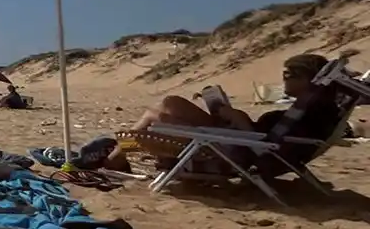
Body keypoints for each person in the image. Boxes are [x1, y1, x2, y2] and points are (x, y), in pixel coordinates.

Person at [101, 53, 344, 174]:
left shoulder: (312, 114)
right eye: (285, 72)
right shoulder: (307, 110)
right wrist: (233, 116)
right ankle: (119, 155)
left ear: (311, 80)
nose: (284, 77)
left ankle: (117, 156)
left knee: (161, 116)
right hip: (238, 141)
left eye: (292, 74)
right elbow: (268, 138)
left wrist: (238, 119)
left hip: (236, 150)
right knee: (167, 105)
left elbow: (267, 150)